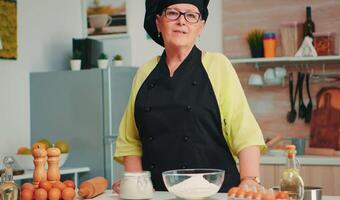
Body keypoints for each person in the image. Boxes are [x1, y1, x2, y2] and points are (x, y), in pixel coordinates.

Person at [113, 0, 266, 192]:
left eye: (191, 15)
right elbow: (130, 141)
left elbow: (245, 132)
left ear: (200, 27)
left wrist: (250, 179)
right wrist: (135, 184)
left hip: (215, 193)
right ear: (158, 22)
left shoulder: (217, 65)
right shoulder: (145, 72)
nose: (182, 21)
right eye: (173, 13)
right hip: (159, 194)